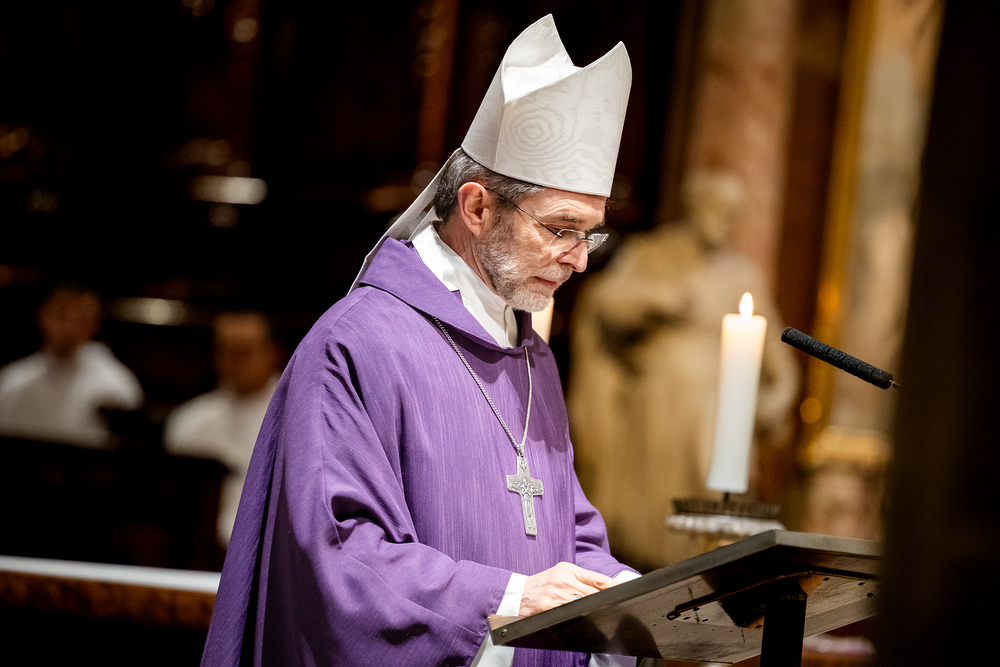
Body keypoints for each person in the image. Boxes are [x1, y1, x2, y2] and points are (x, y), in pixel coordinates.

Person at [202, 15, 642, 667]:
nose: (579, 260)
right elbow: (339, 556)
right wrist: (505, 598)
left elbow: (566, 535)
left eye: (591, 234)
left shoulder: (531, 357)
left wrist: (641, 603)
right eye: (560, 229)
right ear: (477, 207)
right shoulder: (358, 344)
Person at [569, 171, 799, 569]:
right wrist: (656, 298)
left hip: (717, 412)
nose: (723, 220)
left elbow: (778, 358)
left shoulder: (742, 274)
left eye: (732, 213)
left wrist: (773, 401)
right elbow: (606, 302)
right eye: (716, 208)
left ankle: (702, 570)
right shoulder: (651, 253)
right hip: (659, 404)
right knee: (652, 517)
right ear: (694, 207)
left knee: (710, 510)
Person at [164, 311, 282, 547]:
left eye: (246, 352)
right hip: (199, 549)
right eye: (229, 351)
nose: (237, 362)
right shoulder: (188, 421)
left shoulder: (295, 418)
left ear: (272, 353)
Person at [0, 283, 144, 447]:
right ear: (42, 315)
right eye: (61, 316)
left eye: (80, 319)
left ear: (95, 323)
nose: (69, 328)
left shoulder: (115, 387)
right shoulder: (11, 382)